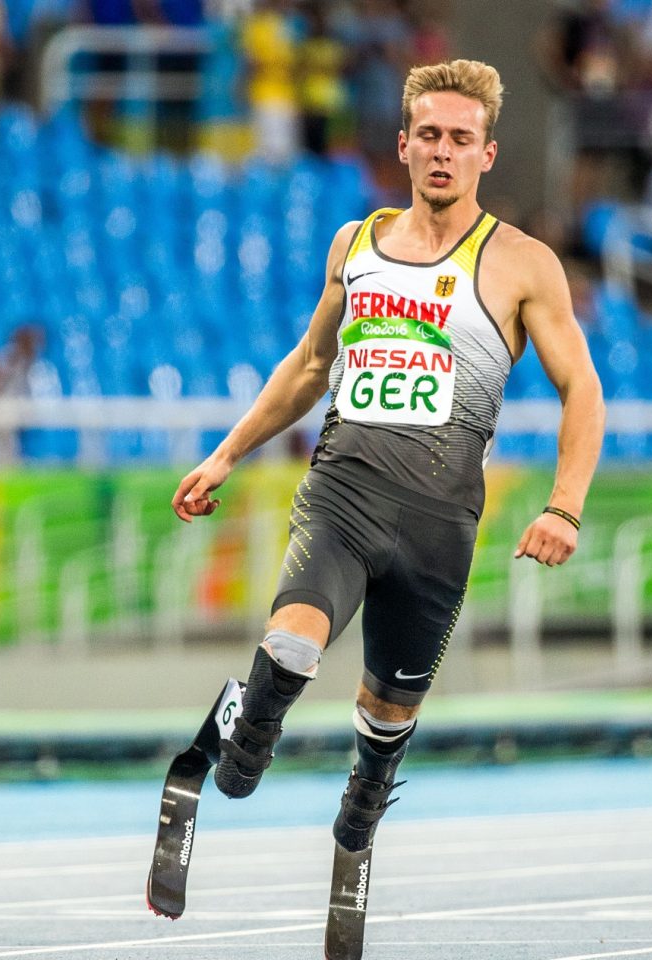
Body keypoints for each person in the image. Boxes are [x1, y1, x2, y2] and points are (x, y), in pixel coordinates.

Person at [171, 60, 603, 859]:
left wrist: (563, 504)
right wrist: (226, 455)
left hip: (440, 520)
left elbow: (583, 387)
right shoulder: (357, 243)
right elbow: (308, 365)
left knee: (390, 709)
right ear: (404, 146)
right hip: (343, 495)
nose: (444, 152)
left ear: (487, 155)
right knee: (293, 643)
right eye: (430, 136)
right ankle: (250, 736)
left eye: (461, 139)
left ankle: (366, 795)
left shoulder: (522, 264)